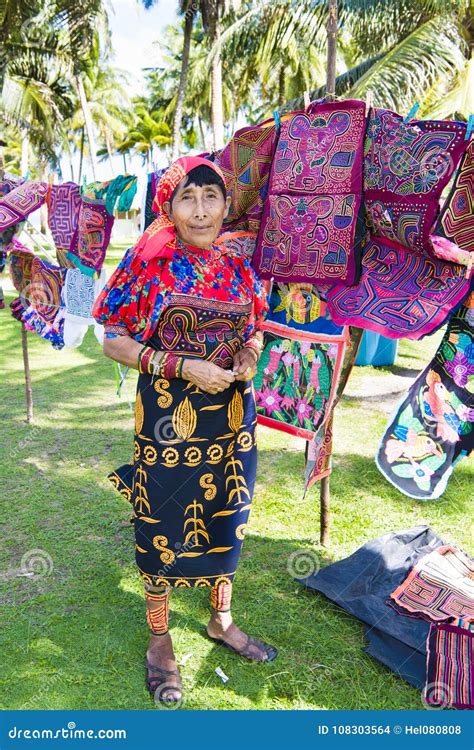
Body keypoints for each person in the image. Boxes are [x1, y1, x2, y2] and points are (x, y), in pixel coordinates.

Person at [92, 156, 278, 704]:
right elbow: (114, 339)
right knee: (162, 519)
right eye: (187, 198)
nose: (201, 210)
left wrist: (247, 354)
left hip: (231, 422)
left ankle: (221, 620)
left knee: (228, 516)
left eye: (211, 197)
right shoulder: (147, 264)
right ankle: (159, 638)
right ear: (169, 207)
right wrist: (182, 366)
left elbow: (258, 328)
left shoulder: (238, 266)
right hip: (168, 422)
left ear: (225, 205)